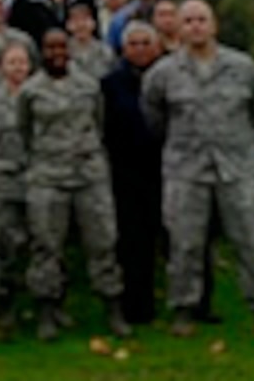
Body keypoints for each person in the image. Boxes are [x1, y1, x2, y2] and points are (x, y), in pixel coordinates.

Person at [141, 0, 254, 337]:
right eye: (187, 20)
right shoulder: (163, 73)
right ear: (178, 27)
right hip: (185, 170)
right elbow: (154, 118)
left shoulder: (243, 67)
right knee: (185, 245)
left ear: (214, 25)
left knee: (248, 241)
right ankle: (184, 310)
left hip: (236, 167)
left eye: (202, 19)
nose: (195, 26)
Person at [19, 28, 130, 341]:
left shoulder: (88, 84)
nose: (56, 52)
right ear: (40, 51)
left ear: (69, 50)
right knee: (45, 245)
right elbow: (24, 130)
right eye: (49, 47)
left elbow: (99, 122)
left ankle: (113, 310)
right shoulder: (30, 90)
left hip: (88, 175)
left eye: (60, 47)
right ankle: (47, 311)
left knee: (103, 241)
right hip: (47, 176)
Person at [100, 21, 166, 326]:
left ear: (156, 46)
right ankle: (135, 307)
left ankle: (188, 304)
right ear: (124, 49)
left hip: (166, 167)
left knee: (170, 238)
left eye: (145, 43)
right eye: (133, 44)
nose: (139, 49)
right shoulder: (111, 83)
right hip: (125, 171)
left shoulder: (169, 76)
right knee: (132, 241)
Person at [0, 39, 32, 340]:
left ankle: (44, 305)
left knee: (38, 243)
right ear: (1, 67)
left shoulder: (38, 94)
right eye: (12, 62)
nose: (17, 68)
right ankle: (3, 307)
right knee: (3, 246)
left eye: (22, 62)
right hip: (1, 180)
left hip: (35, 178)